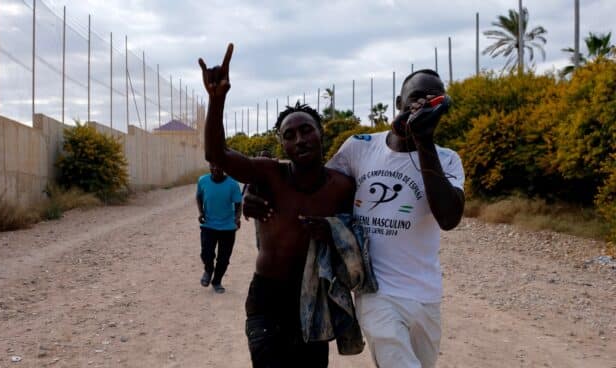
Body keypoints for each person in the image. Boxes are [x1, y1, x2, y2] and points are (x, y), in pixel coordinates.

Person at [243, 69, 465, 368]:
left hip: (426, 295)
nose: (423, 105)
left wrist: (423, 141)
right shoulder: (360, 147)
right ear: (399, 102)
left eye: (433, 99)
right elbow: (311, 176)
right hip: (376, 292)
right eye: (416, 98)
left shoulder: (448, 159)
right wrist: (255, 186)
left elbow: (449, 218)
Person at [198, 44, 356, 367]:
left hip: (314, 300)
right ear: (281, 143)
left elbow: (360, 236)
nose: (299, 140)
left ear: (320, 133)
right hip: (267, 299)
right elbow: (218, 155)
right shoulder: (270, 174)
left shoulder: (341, 186)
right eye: (290, 134)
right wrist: (217, 101)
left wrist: (332, 231)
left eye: (306, 130)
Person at [196, 162, 242, 294]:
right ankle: (208, 270)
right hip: (208, 224)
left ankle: (217, 281)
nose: (215, 168)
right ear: (209, 166)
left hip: (228, 227)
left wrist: (237, 218)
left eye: (219, 165)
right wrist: (201, 212)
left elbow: (238, 204)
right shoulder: (202, 180)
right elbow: (199, 196)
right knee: (206, 253)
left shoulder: (232, 184)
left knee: (224, 258)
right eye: (213, 165)